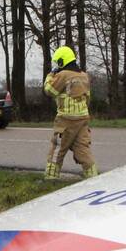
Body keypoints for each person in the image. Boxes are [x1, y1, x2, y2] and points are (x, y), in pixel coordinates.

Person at [43, 46, 98, 180]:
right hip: (83, 118)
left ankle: (50, 178)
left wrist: (50, 75)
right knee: (83, 149)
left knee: (57, 149)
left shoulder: (63, 75)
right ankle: (94, 178)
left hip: (66, 120)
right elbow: (88, 98)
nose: (58, 65)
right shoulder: (84, 76)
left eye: (58, 62)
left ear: (62, 61)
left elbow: (49, 90)